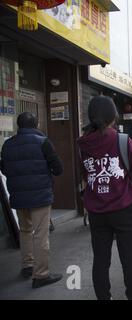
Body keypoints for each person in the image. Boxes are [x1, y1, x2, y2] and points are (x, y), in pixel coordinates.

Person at [78, 96, 132, 300]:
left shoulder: (82, 144)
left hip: (97, 211)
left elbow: (85, 175)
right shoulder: (123, 140)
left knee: (100, 260)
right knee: (129, 258)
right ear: (113, 116)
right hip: (124, 208)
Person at [0, 113, 63, 289]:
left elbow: (4, 169)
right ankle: (41, 274)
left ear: (18, 126)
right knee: (40, 234)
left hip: (19, 196)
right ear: (36, 124)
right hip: (40, 196)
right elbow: (58, 169)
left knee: (25, 231)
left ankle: (27, 266)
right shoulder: (43, 142)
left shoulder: (7, 144)